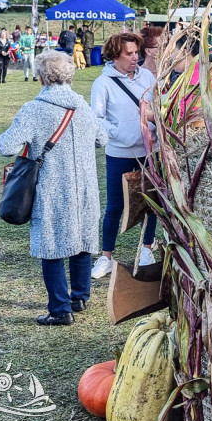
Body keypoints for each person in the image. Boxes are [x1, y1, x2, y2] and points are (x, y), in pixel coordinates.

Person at [0, 51, 107, 325]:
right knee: (82, 242)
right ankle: (79, 297)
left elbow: (5, 146)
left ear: (42, 77)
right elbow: (102, 139)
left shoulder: (34, 109)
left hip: (52, 188)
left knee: (52, 246)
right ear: (70, 75)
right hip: (84, 188)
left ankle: (59, 310)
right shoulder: (82, 106)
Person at [89, 33, 159, 278]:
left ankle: (147, 249)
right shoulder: (103, 83)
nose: (134, 58)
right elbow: (96, 119)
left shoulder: (148, 77)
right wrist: (120, 134)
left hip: (150, 151)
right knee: (116, 205)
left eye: (136, 53)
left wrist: (154, 129)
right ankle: (106, 256)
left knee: (151, 202)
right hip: (120, 153)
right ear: (114, 55)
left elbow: (157, 107)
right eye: (128, 53)